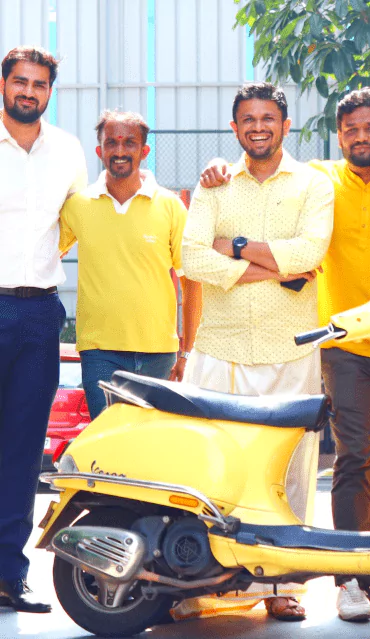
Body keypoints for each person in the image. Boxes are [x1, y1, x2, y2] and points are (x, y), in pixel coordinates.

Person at [199, 87, 370, 621]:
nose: (360, 137)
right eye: (350, 129)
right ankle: (350, 579)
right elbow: (263, 171)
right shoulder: (320, 180)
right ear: (339, 135)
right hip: (343, 340)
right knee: (355, 455)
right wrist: (218, 167)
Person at [179, 82, 334, 622]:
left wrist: (235, 247)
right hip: (218, 348)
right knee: (209, 469)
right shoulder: (215, 184)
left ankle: (283, 585)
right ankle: (205, 582)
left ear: (285, 126)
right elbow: (191, 258)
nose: (259, 126)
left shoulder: (313, 184)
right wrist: (271, 269)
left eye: (268, 118)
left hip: (289, 349)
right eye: (248, 118)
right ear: (234, 127)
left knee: (290, 470)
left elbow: (310, 253)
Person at [0, 45, 87, 613]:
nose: (29, 91)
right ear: (3, 84)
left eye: (39, 84)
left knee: (24, 451)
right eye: (20, 82)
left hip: (38, 314)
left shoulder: (67, 150)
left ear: (50, 92)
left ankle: (9, 575)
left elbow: (81, 218)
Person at [59, 110, 201, 419]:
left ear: (144, 150)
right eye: (111, 143)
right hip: (100, 353)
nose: (120, 151)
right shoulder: (78, 207)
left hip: (159, 355)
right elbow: (44, 252)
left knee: (151, 445)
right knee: (108, 444)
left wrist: (186, 351)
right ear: (100, 151)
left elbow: (191, 281)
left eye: (129, 143)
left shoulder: (170, 207)